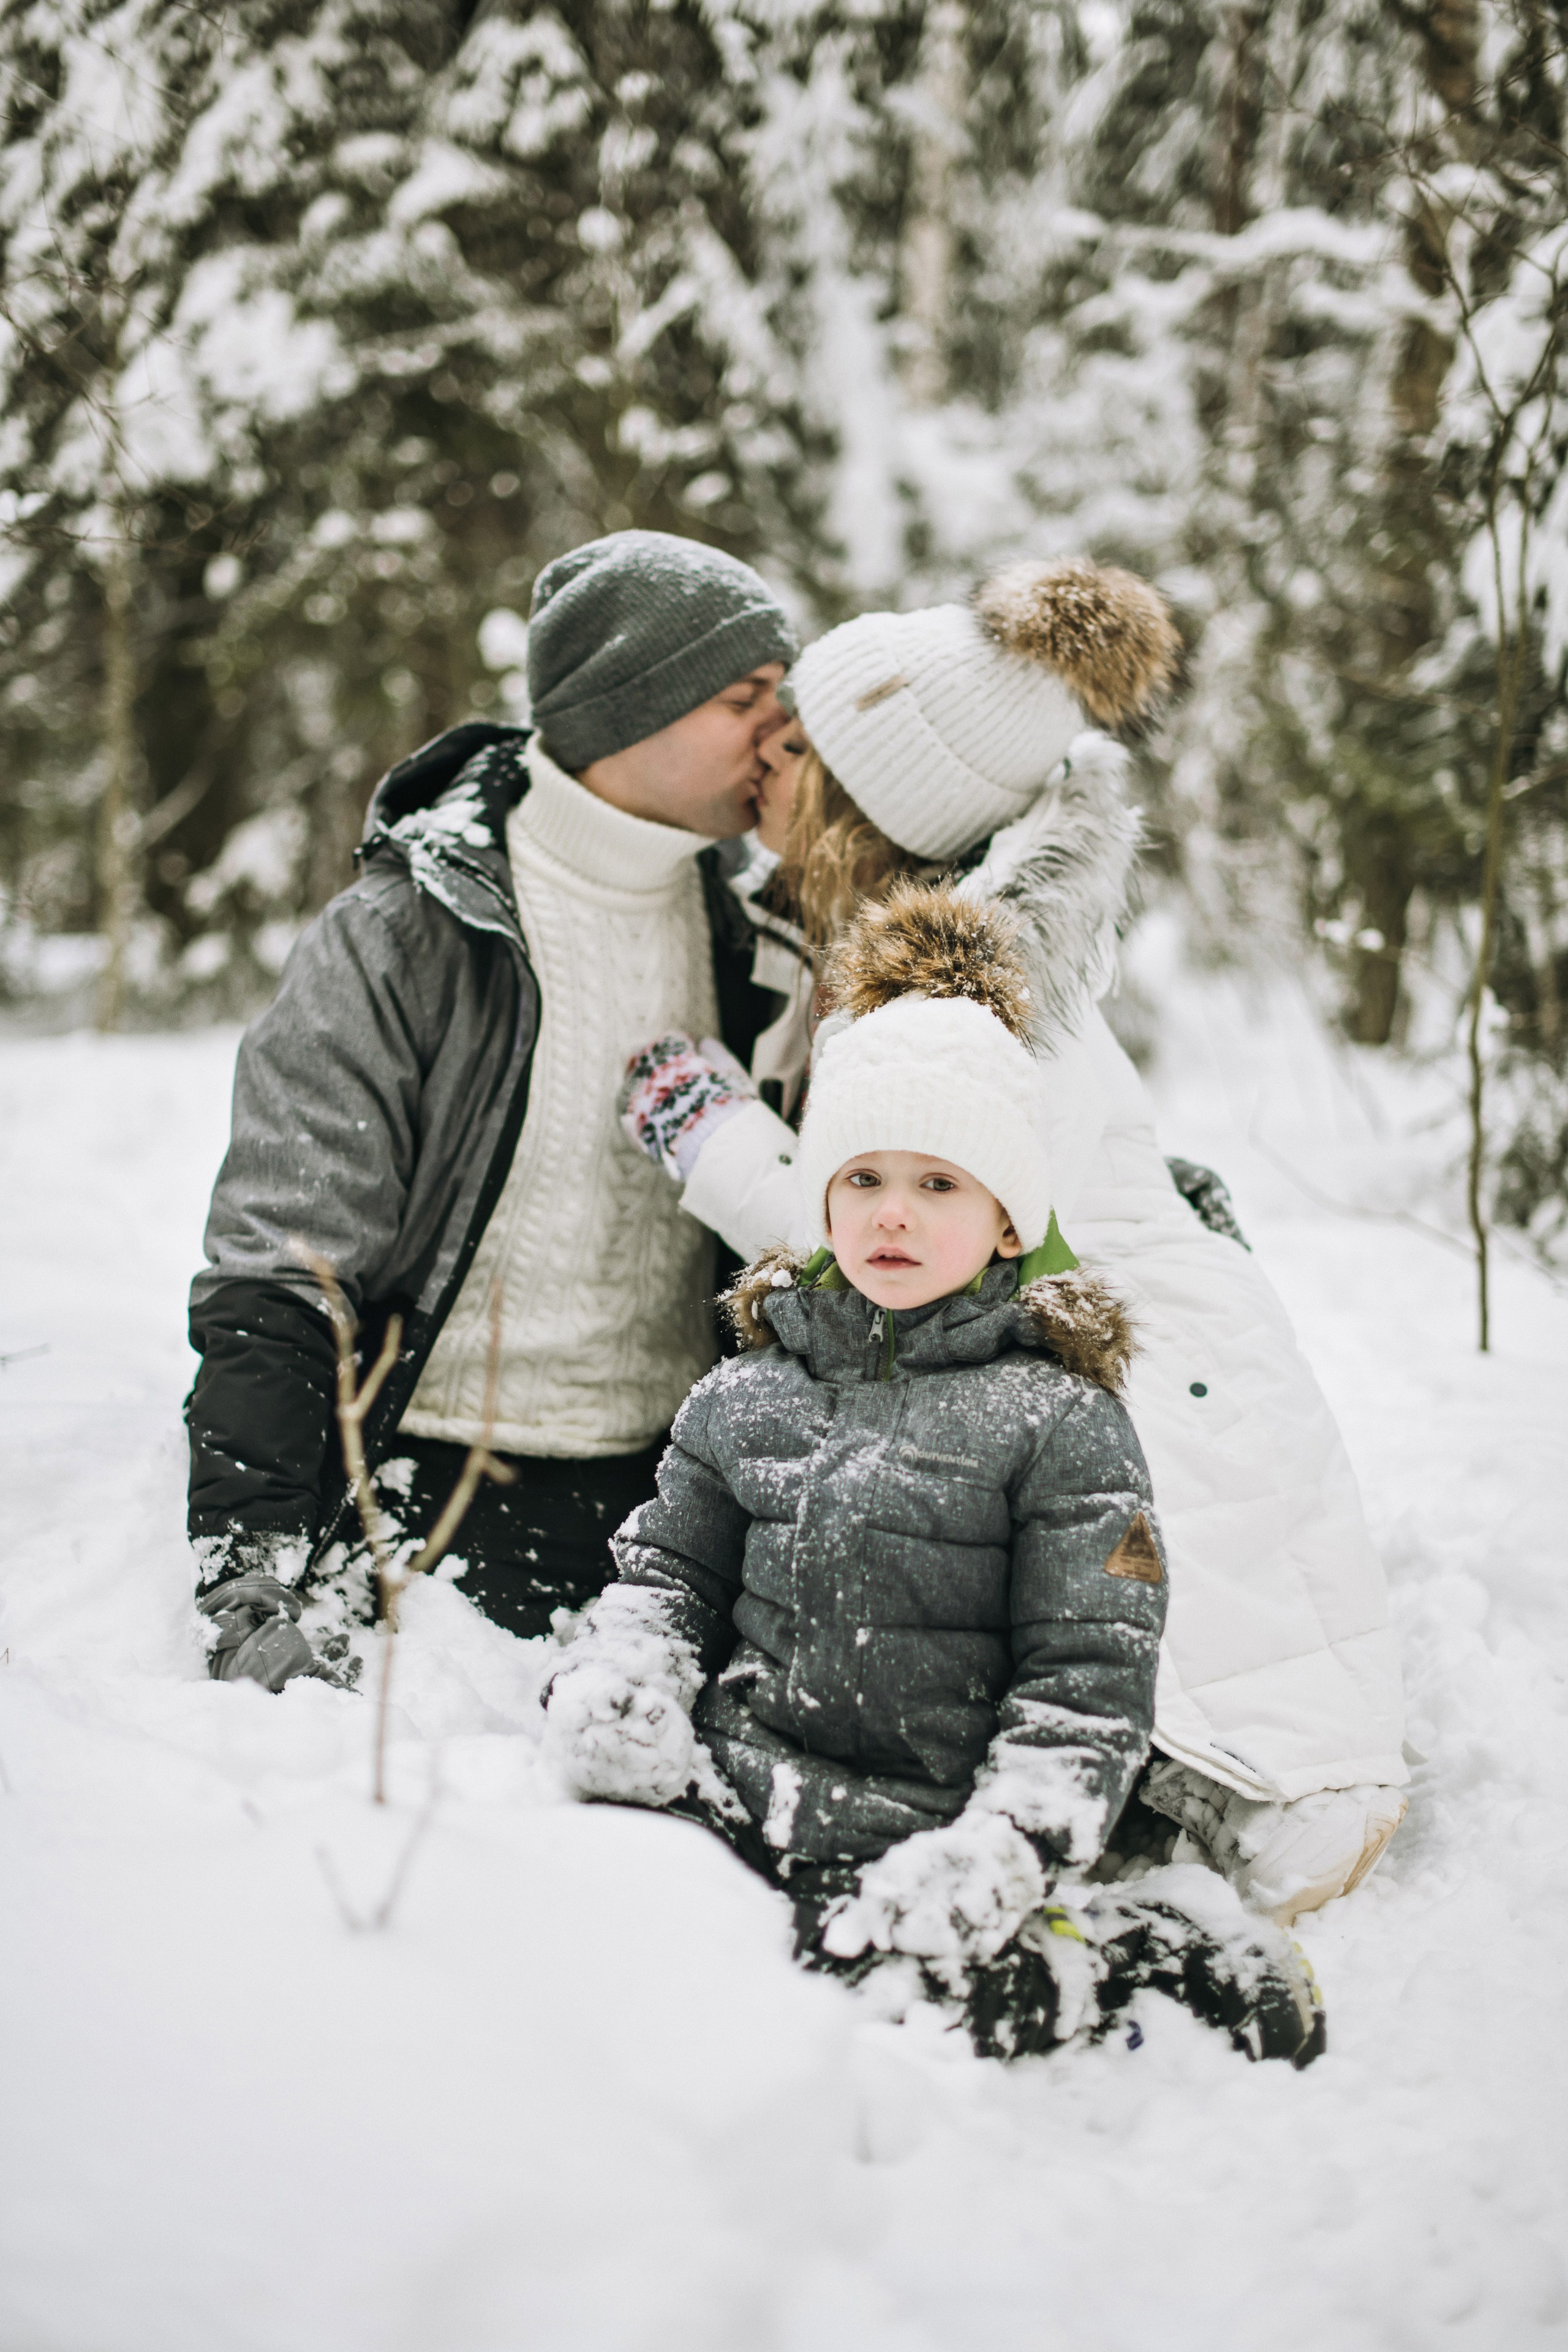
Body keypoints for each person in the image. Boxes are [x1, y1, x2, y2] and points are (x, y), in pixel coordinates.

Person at [619, 556, 1408, 1926]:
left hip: (1146, 1349)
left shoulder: (940, 990)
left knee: (1138, 1588)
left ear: (864, 807)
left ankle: (1239, 1785)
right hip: (1155, 1311)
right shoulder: (944, 942)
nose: (764, 759)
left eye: (796, 745)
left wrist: (708, 1133)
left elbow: (866, 1216)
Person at [545, 886, 1325, 2066]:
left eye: (939, 1184)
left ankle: (1161, 1953)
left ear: (1010, 1221)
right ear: (818, 1202)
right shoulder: (742, 1394)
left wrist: (1007, 1844)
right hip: (743, 1800)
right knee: (601, 1940)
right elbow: (666, 1574)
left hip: (939, 1835)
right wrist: (628, 1674)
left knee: (940, 2007)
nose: (893, 1214)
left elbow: (1088, 1678)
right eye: (862, 1180)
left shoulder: (1061, 1423)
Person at [189, 530, 797, 1691]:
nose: (781, 730)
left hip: (677, 1505)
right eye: (744, 697)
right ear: (631, 710)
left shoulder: (754, 929)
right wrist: (248, 1566)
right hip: (430, 1492)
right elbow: (282, 1263)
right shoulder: (407, 935)